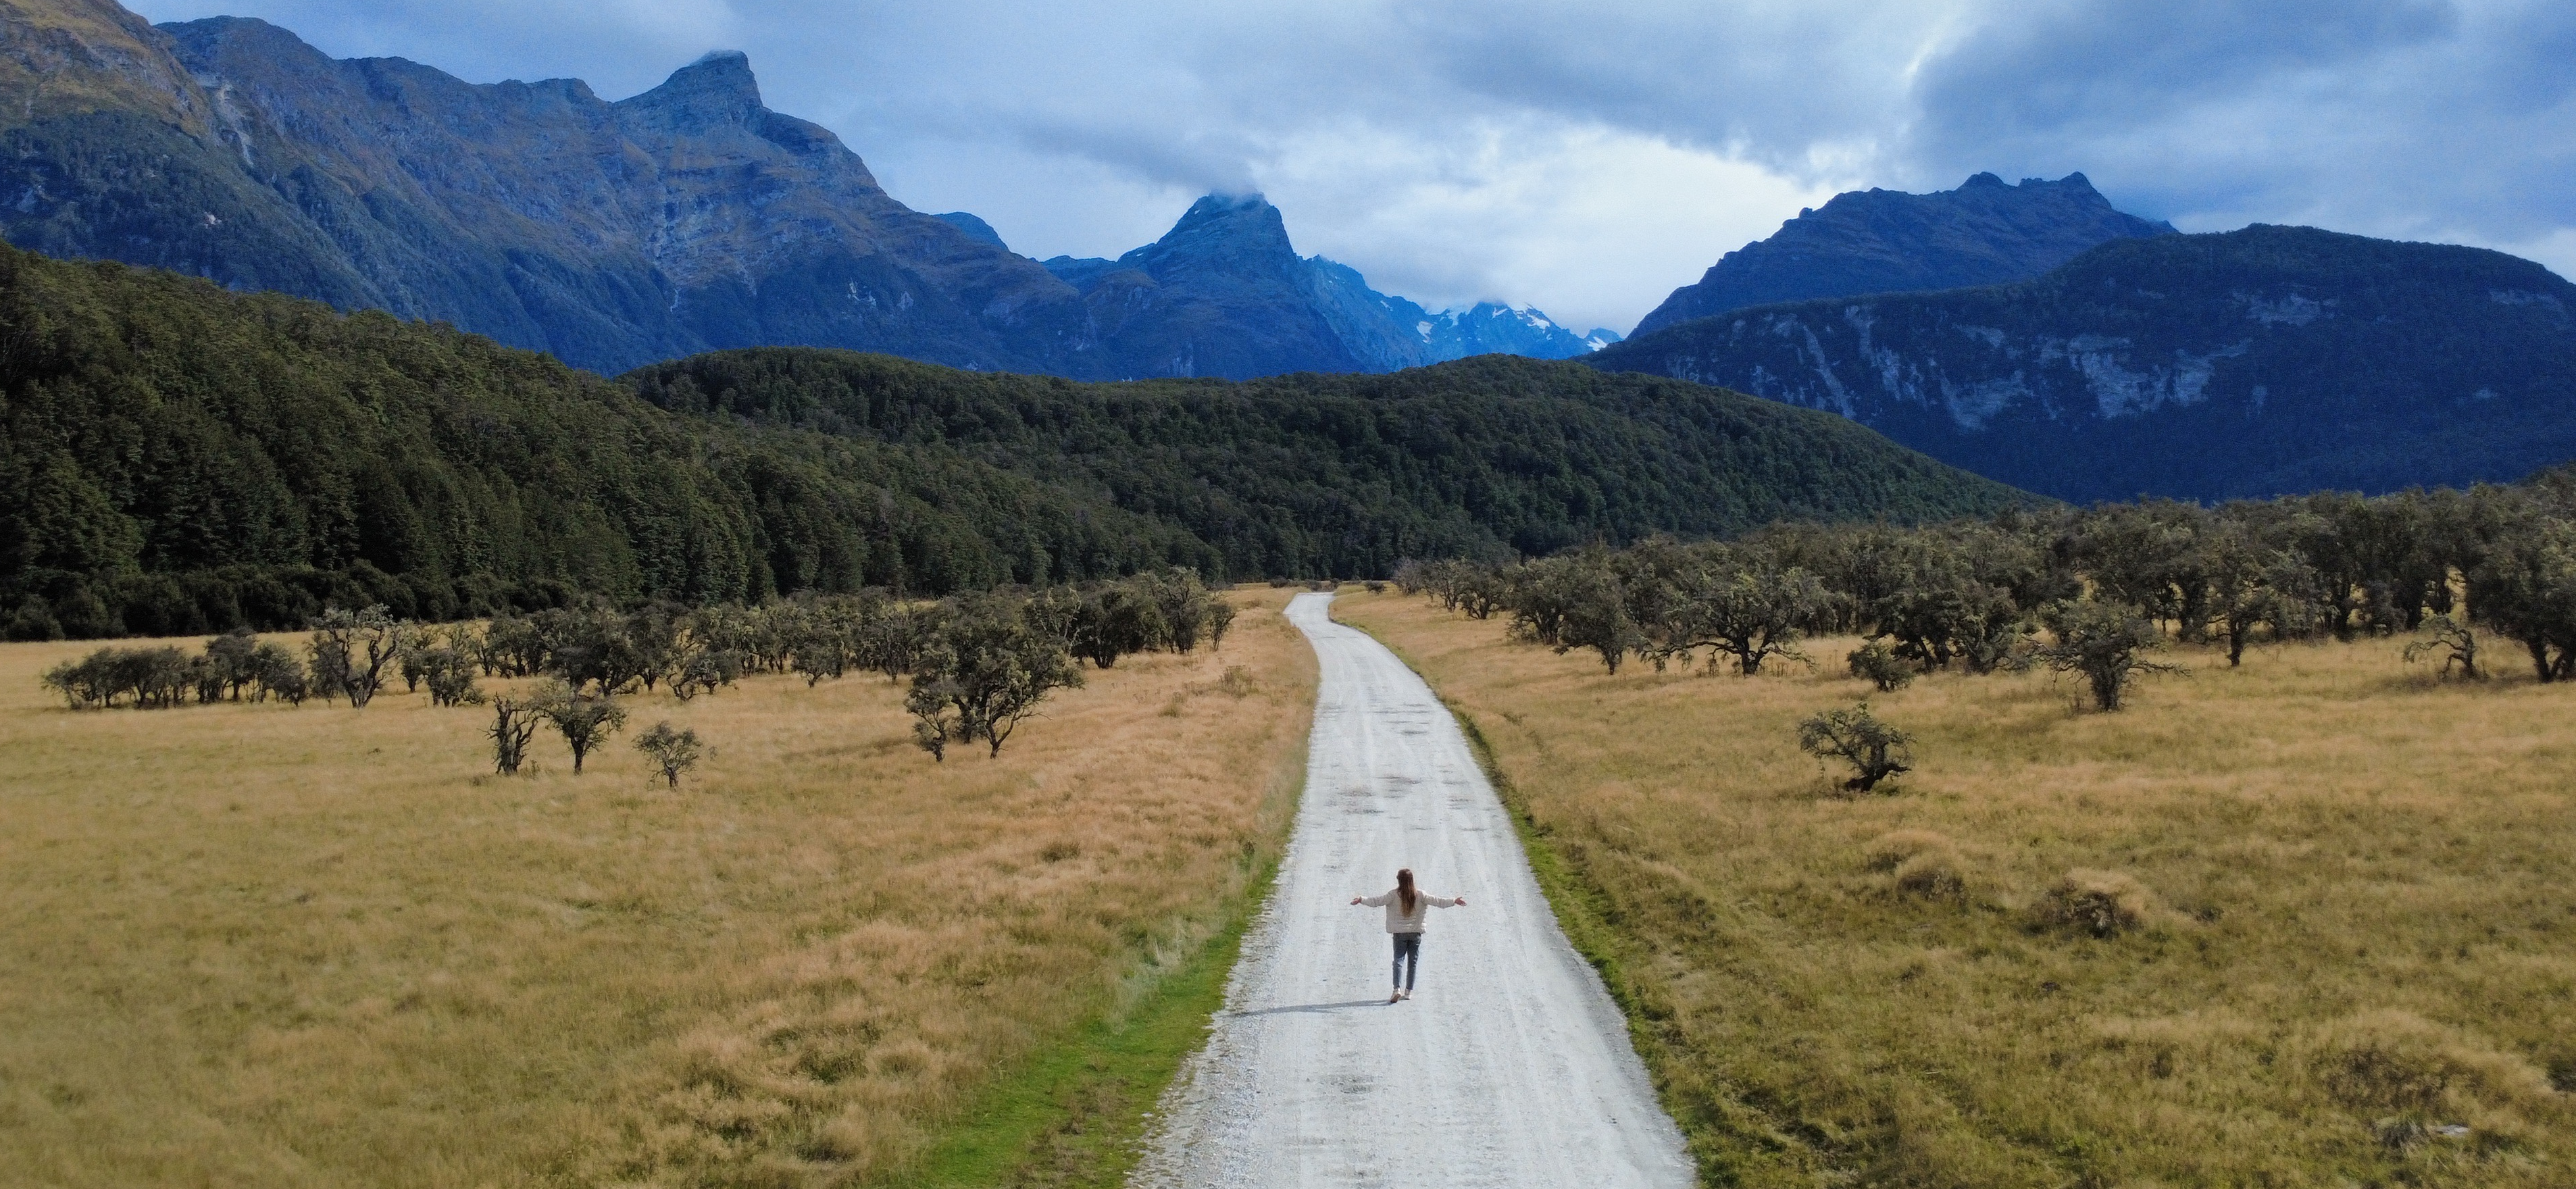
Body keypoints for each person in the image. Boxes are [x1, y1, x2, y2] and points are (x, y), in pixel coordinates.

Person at [1350, 867, 1465, 1003]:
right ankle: (1409, 991)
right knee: (1413, 962)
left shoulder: (1393, 895)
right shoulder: (1421, 895)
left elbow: (1376, 901)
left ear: (1399, 880)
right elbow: (1439, 902)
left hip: (1399, 934)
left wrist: (1361, 899)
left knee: (1398, 960)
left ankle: (1396, 989)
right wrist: (1454, 901)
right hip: (1415, 933)